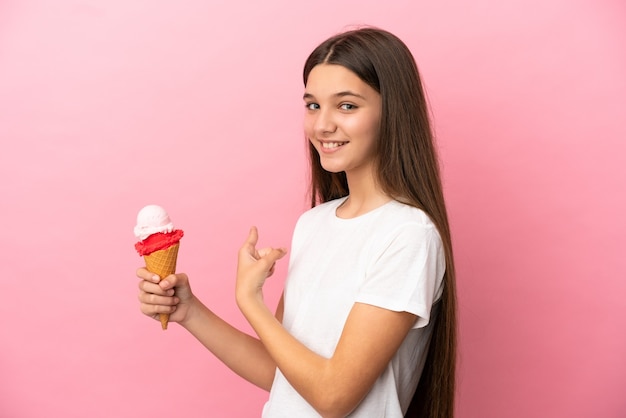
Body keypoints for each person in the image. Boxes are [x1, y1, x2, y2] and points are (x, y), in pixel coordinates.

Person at [136, 27, 457, 418]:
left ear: (393, 110)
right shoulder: (314, 224)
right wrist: (190, 311)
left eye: (347, 106)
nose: (322, 125)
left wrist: (250, 303)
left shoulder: (408, 236)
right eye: (312, 105)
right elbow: (282, 373)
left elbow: (333, 396)